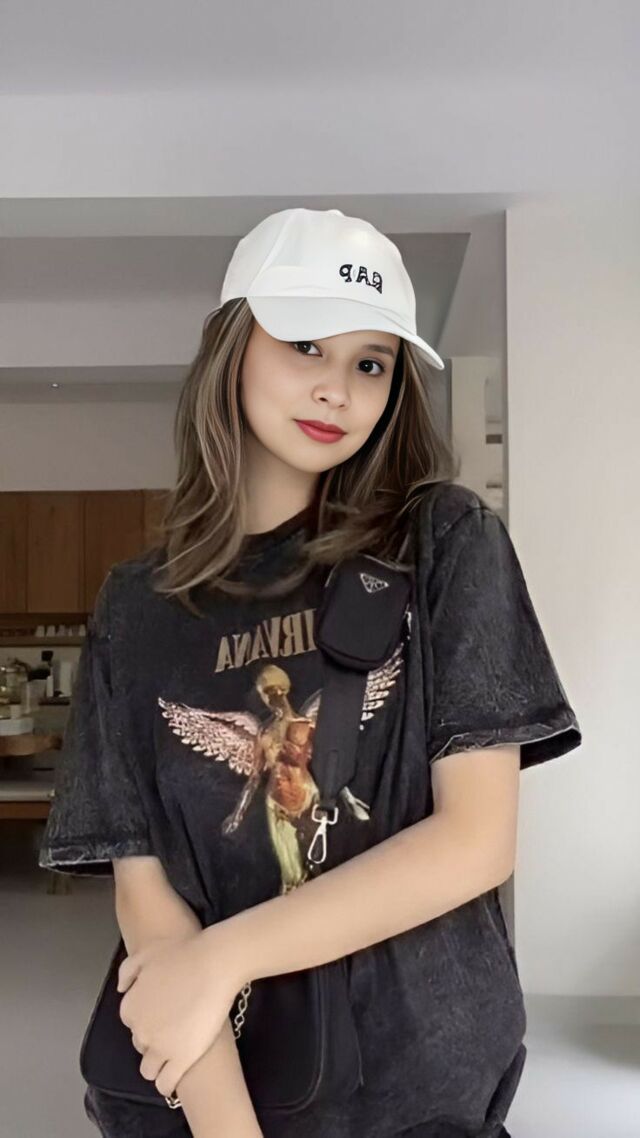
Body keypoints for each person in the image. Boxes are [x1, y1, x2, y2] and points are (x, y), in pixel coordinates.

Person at [39, 207, 582, 1138]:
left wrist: (224, 959)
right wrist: (228, 1124)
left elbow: (476, 839)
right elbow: (146, 889)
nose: (337, 389)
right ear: (233, 347)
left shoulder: (441, 543)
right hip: (214, 1094)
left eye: (371, 363)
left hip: (420, 1102)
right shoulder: (139, 607)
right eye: (304, 345)